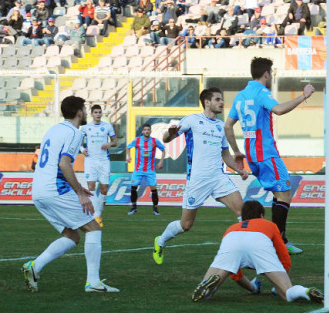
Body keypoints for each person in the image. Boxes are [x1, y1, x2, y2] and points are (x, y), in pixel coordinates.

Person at [22, 96, 119, 293]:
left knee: (72, 235)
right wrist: (80, 194)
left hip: (39, 190)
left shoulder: (54, 129)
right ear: (79, 112)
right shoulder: (75, 133)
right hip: (54, 190)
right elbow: (64, 163)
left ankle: (34, 267)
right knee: (93, 228)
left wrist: (77, 188)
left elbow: (53, 163)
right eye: (84, 108)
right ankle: (93, 283)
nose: (85, 111)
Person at [225, 57, 314, 255]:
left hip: (252, 154)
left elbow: (228, 125)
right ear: (266, 74)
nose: (271, 76)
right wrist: (304, 96)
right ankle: (279, 241)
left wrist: (236, 150)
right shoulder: (261, 92)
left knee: (278, 193)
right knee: (285, 193)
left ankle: (275, 239)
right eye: (271, 73)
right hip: (266, 153)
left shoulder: (240, 95)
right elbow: (279, 110)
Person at [152, 88, 249, 265]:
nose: (222, 102)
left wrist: (239, 170)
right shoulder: (192, 120)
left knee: (243, 212)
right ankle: (160, 241)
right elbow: (166, 139)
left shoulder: (222, 127)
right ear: (207, 102)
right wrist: (171, 133)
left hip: (218, 178)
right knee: (185, 225)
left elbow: (226, 155)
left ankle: (246, 254)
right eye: (218, 99)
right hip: (197, 180)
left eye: (222, 99)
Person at [191, 201, 323, 304]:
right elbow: (283, 255)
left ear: (243, 217)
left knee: (209, 289)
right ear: (262, 216)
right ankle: (304, 292)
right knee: (287, 293)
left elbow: (235, 274)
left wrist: (252, 289)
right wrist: (280, 280)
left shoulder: (231, 228)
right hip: (259, 243)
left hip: (232, 241)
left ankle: (208, 286)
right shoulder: (269, 224)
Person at [80, 105, 117, 228]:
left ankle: (98, 212)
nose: (98, 114)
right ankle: (97, 216)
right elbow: (78, 141)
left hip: (103, 160)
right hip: (90, 160)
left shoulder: (107, 126)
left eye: (100, 112)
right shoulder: (85, 127)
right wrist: (82, 149)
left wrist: (109, 144)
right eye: (95, 112)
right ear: (91, 114)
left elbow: (115, 141)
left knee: (104, 189)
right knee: (91, 187)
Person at [126, 124, 166, 215]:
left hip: (150, 170)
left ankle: (155, 209)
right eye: (145, 130)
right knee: (133, 187)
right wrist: (128, 157)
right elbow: (128, 147)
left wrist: (161, 162)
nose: (146, 131)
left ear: (150, 131)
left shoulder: (154, 141)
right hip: (138, 170)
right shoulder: (137, 140)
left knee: (153, 189)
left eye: (148, 130)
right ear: (142, 131)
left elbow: (163, 149)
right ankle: (134, 207)